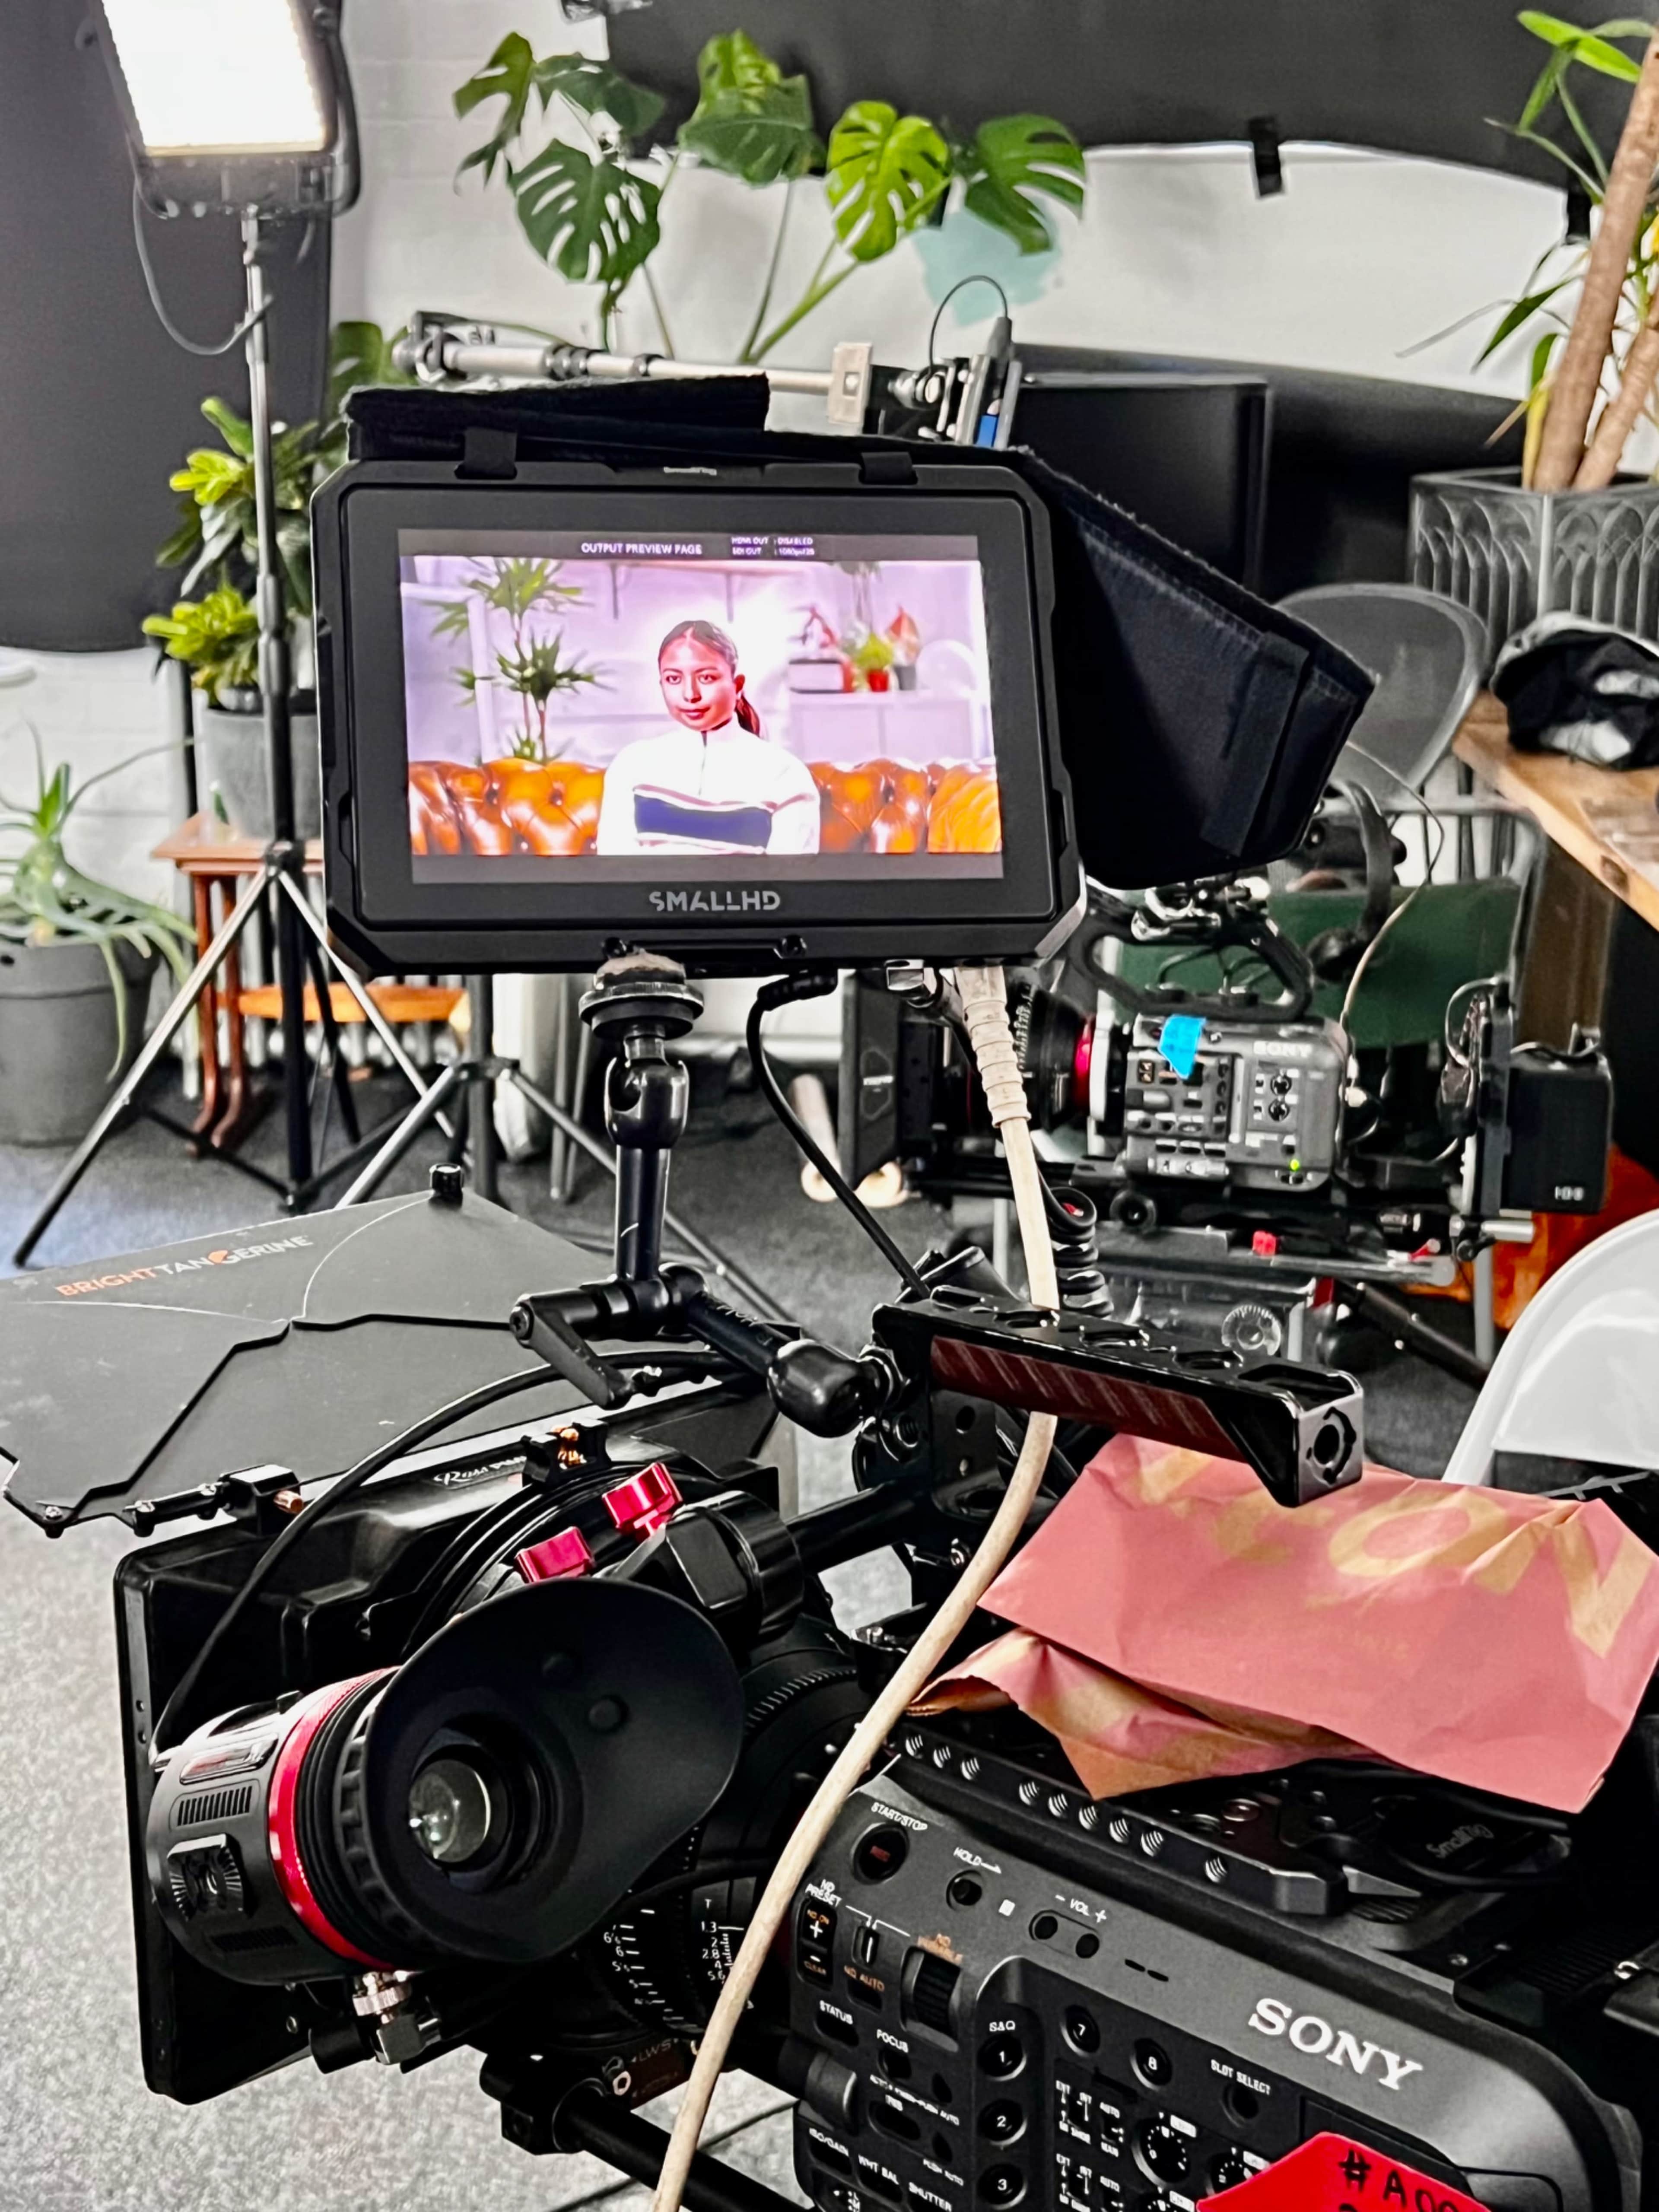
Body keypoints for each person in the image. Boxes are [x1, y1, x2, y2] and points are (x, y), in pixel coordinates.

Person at [595, 620, 821, 856]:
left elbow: (789, 883)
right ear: (661, 684)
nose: (690, 694)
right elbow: (618, 874)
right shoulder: (632, 765)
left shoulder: (785, 774)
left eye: (706, 678)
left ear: (737, 685)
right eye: (674, 679)